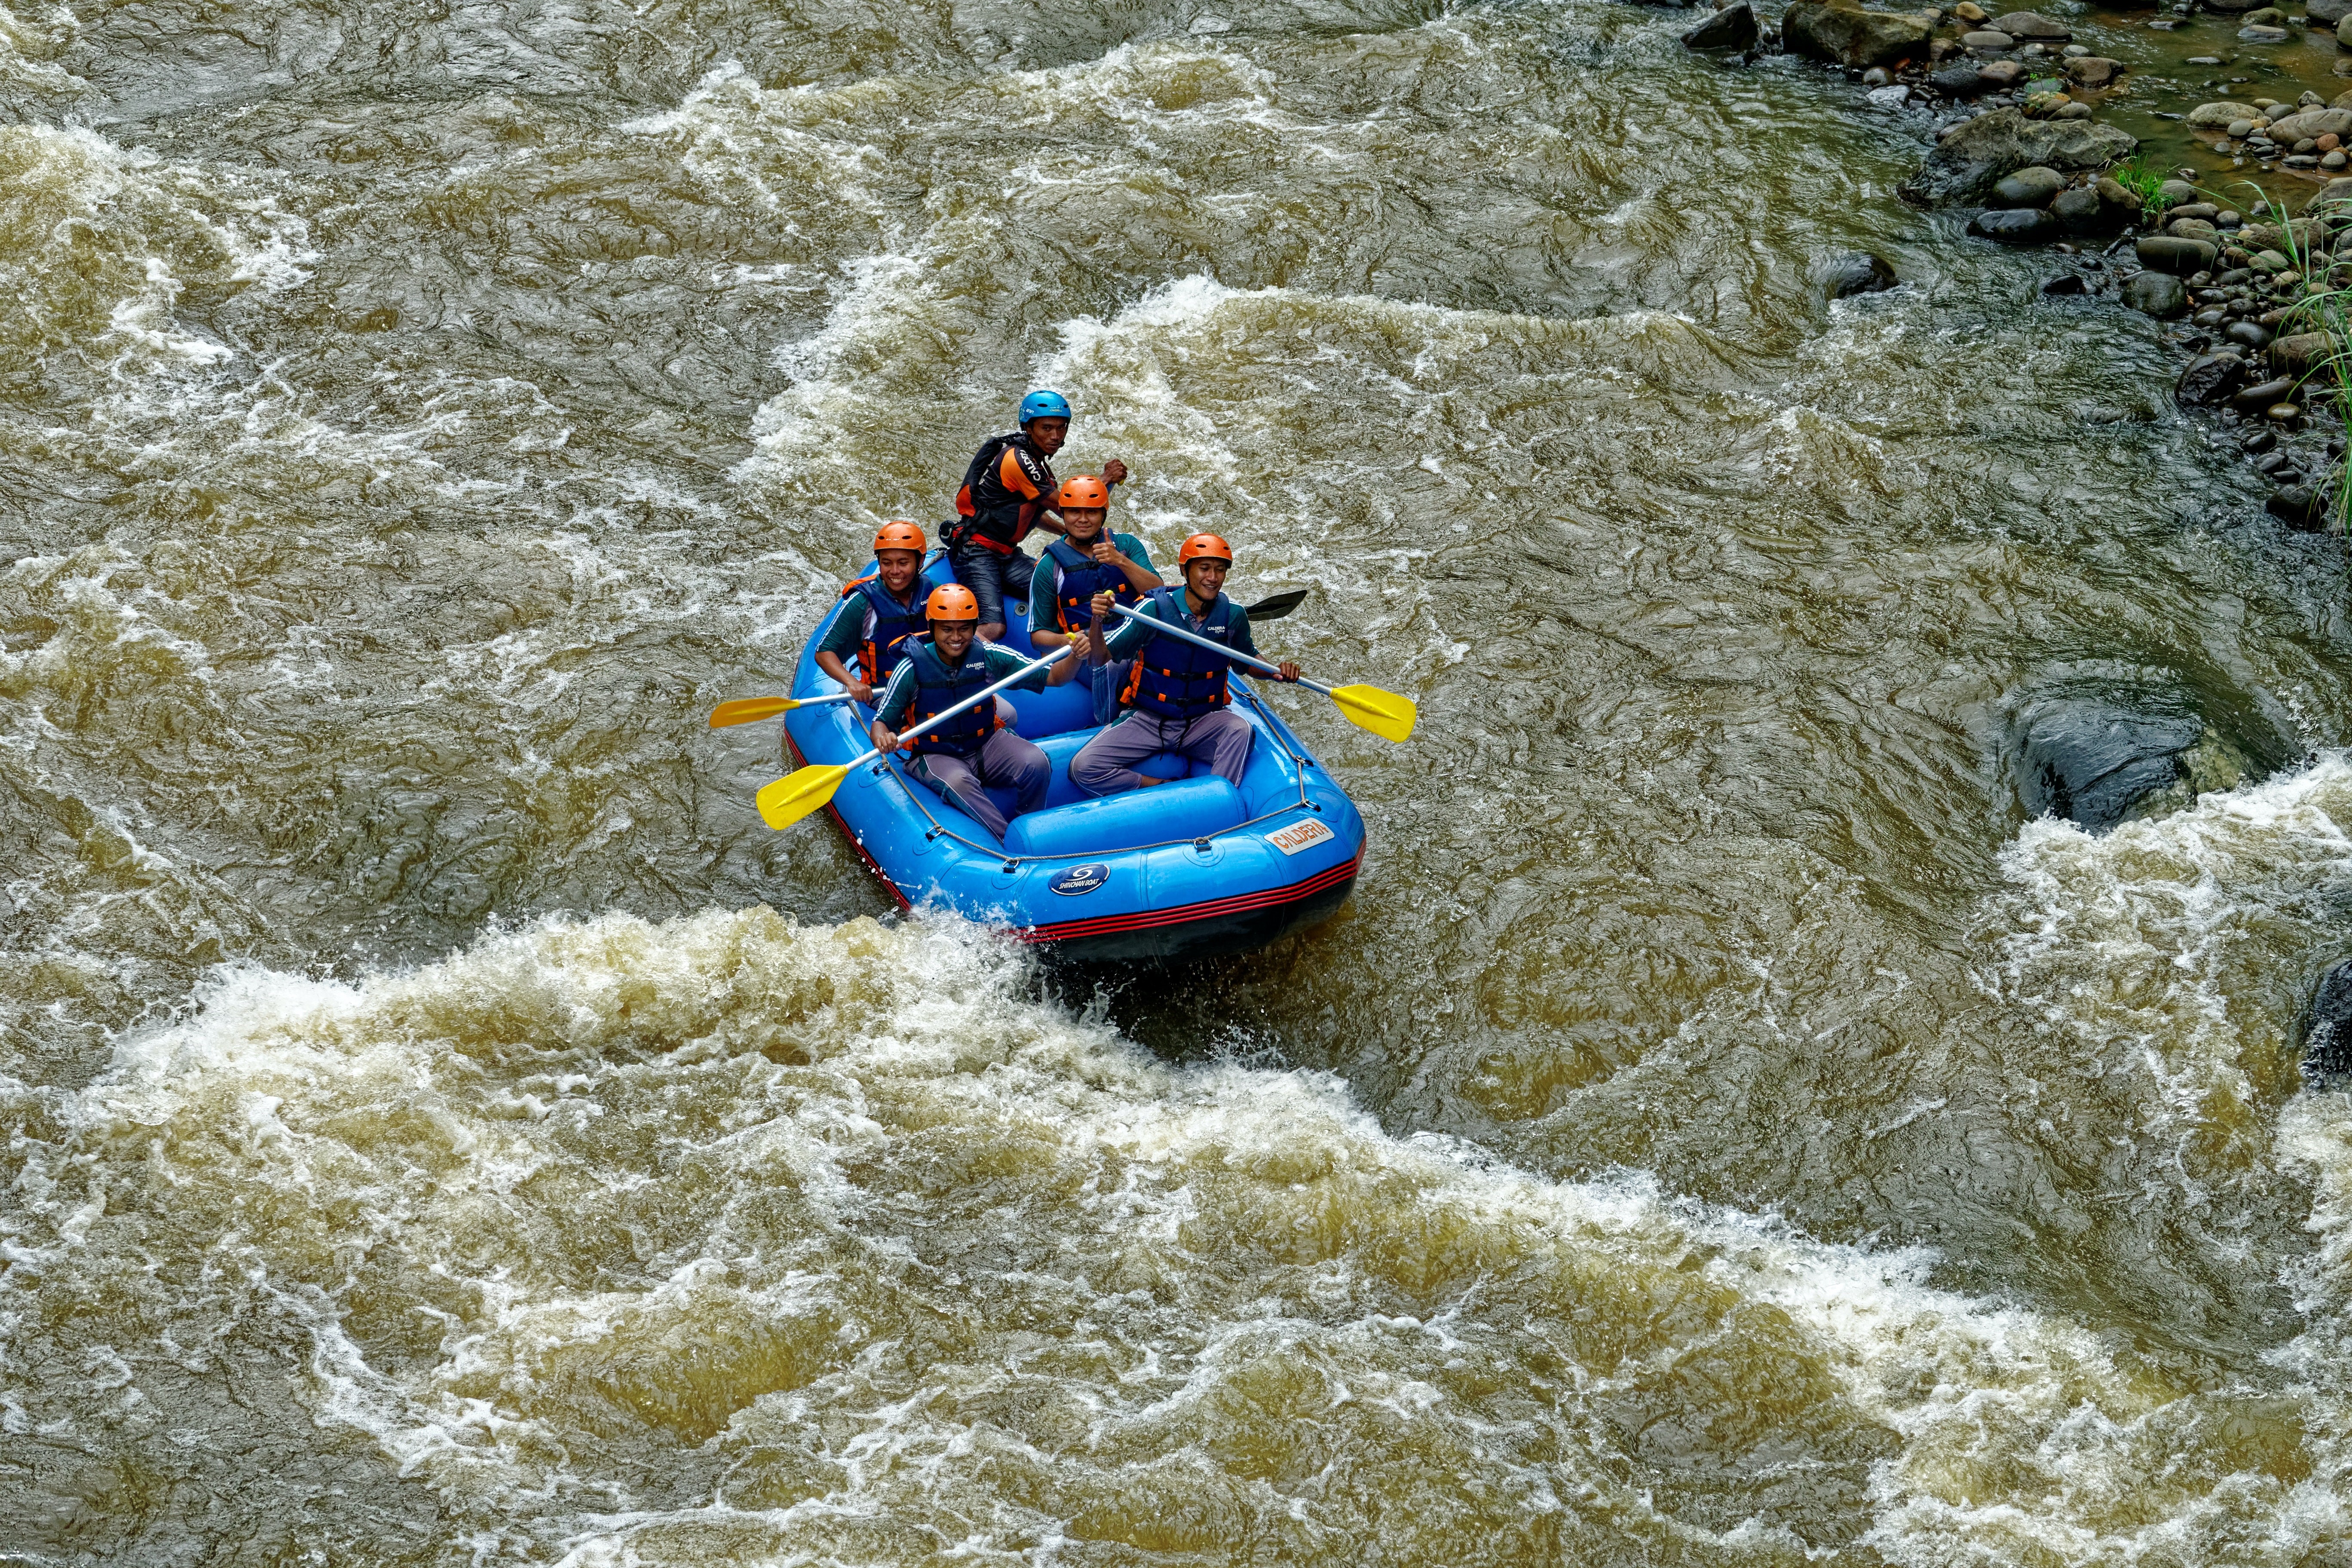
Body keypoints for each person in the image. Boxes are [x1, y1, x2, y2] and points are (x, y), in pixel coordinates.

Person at [1071, 533, 1299, 796]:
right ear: (1185, 570)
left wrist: (1276, 672)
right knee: (1083, 767)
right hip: (1149, 719)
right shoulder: (1152, 610)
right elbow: (1100, 659)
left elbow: (1248, 661)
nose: (1213, 578)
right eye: (1204, 568)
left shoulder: (1233, 615)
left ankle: (1215, 800)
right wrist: (1097, 622)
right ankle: (1159, 786)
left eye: (1220, 570)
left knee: (1241, 729)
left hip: (1202, 721)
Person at [872, 584, 1080, 842]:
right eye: (947, 629)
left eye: (964, 629)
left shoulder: (990, 656)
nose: (956, 637)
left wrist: (1077, 656)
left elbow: (1055, 677)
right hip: (934, 754)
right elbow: (881, 723)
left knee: (1036, 762)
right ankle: (1008, 841)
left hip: (986, 742)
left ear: (975, 627)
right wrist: (883, 738)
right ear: (933, 626)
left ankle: (1028, 830)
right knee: (960, 783)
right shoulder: (911, 668)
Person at [946, 389, 1129, 643]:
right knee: (994, 629)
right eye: (1046, 428)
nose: (1055, 436)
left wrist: (1064, 533)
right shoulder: (1020, 460)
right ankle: (950, 668)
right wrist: (1106, 478)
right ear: (1029, 428)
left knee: (1062, 589)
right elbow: (1068, 505)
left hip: (1007, 555)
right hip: (976, 553)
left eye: (1061, 428)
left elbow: (1030, 512)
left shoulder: (1037, 460)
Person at [1026, 475, 1163, 724]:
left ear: (1103, 515)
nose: (1082, 520)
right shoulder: (1049, 567)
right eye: (1074, 512)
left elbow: (1157, 593)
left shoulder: (1125, 546)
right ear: (1063, 515)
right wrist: (1070, 642)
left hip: (1133, 640)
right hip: (1088, 653)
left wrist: (1120, 561)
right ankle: (1110, 724)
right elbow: (1038, 638)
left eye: (1091, 512)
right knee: (1109, 663)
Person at [814, 521, 934, 704]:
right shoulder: (863, 603)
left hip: (934, 685)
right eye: (887, 563)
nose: (895, 571)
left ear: (921, 561)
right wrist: (852, 683)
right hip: (885, 694)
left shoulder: (934, 592)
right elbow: (824, 653)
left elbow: (964, 632)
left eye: (903, 563)